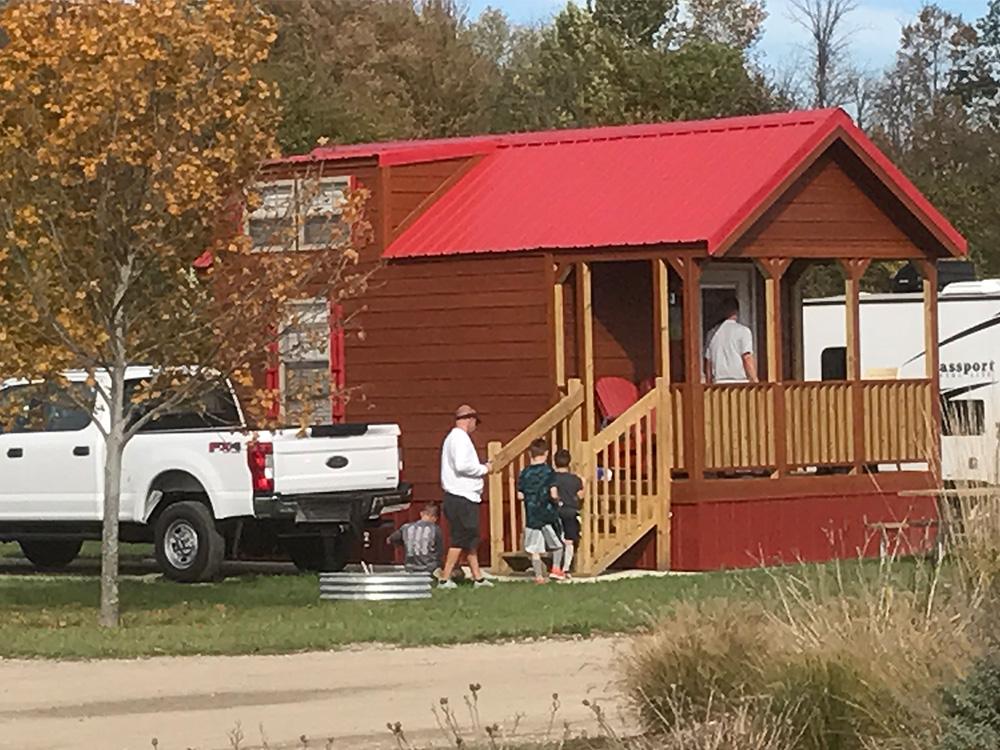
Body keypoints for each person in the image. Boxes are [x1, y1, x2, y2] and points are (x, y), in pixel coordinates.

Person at [438, 404, 494, 589]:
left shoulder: (452, 438)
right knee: (460, 538)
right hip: (462, 496)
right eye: (475, 422)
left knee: (470, 539)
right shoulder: (460, 438)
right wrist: (484, 469)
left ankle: (477, 577)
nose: (475, 426)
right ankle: (445, 577)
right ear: (469, 419)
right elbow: (462, 465)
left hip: (460, 496)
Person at [517, 438, 566, 583]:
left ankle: (538, 576)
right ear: (546, 453)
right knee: (557, 545)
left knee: (534, 549)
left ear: (530, 454)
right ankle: (556, 569)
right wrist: (558, 501)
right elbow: (553, 493)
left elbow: (520, 495)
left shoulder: (524, 472)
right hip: (547, 513)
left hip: (532, 515)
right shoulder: (548, 471)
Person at [704, 295, 758, 384]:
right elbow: (747, 358)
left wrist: (709, 384)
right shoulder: (743, 331)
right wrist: (755, 380)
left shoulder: (712, 333)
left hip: (718, 384)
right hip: (739, 384)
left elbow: (708, 363)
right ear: (737, 312)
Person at [387, 502, 444, 575]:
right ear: (435, 518)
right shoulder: (435, 529)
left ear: (421, 513)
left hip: (410, 568)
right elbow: (440, 551)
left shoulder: (406, 527)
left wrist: (405, 543)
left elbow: (390, 540)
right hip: (430, 568)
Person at [552, 449, 583, 576]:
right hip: (571, 511)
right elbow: (580, 495)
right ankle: (566, 568)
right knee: (569, 540)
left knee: (557, 539)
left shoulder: (552, 478)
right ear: (569, 463)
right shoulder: (575, 479)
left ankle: (555, 566)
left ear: (554, 463)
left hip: (556, 510)